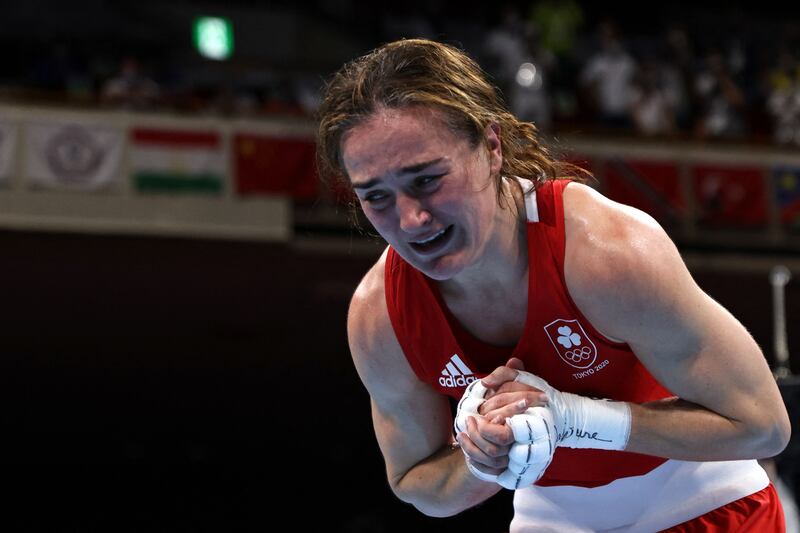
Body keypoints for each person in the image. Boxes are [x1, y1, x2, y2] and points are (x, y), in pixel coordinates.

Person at [316, 38, 791, 531]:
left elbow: (763, 426)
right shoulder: (381, 317)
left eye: (427, 179)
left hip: (705, 504)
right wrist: (486, 459)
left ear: (492, 148)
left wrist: (574, 418)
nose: (410, 219)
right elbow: (419, 484)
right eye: (375, 196)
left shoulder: (606, 251)